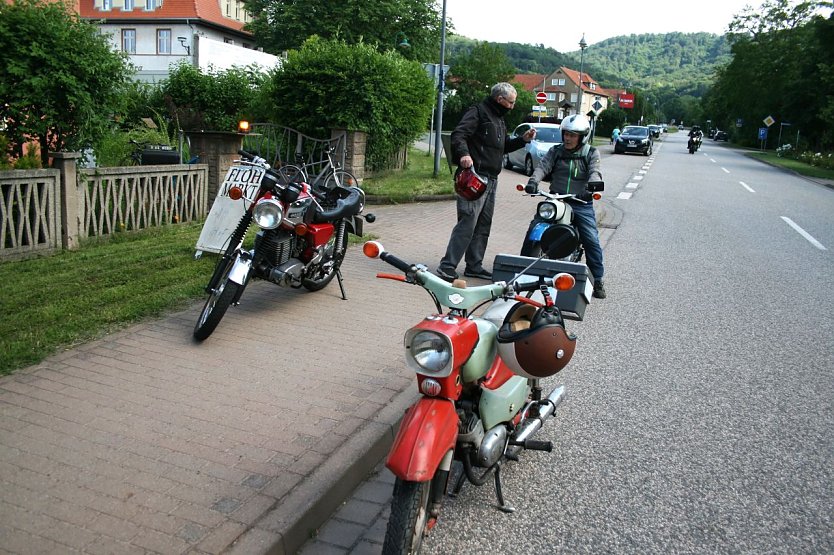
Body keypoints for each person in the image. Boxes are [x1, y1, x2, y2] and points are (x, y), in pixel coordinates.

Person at [436, 82, 536, 282]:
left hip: (492, 180)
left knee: (483, 225)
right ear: (500, 100)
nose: (512, 107)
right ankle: (447, 266)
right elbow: (459, 134)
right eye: (511, 102)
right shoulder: (478, 112)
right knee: (468, 222)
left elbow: (502, 146)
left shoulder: (499, 119)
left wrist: (522, 140)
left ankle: (474, 266)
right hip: (474, 176)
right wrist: (464, 154)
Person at [524, 114, 607, 299]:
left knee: (591, 239)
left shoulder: (591, 152)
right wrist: (533, 181)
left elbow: (595, 171)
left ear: (583, 136)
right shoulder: (555, 151)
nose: (568, 138)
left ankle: (599, 279)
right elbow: (542, 167)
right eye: (566, 134)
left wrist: (592, 186)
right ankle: (522, 269)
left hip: (580, 202)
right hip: (556, 200)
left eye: (573, 135)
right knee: (534, 228)